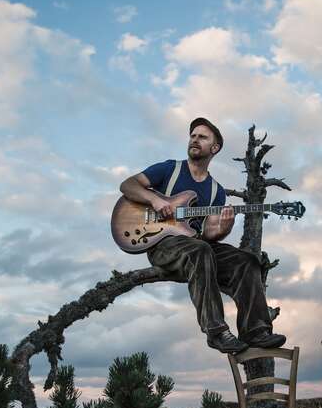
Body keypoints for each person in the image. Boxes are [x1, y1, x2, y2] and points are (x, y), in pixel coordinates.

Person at [119, 117, 286, 354]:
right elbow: (128, 185)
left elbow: (206, 234)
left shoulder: (216, 191)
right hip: (162, 246)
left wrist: (222, 230)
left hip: (195, 246)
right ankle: (217, 332)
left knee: (247, 260)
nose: (194, 140)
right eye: (193, 135)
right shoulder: (170, 169)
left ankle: (256, 331)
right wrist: (155, 200)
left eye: (202, 137)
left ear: (214, 148)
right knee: (200, 250)